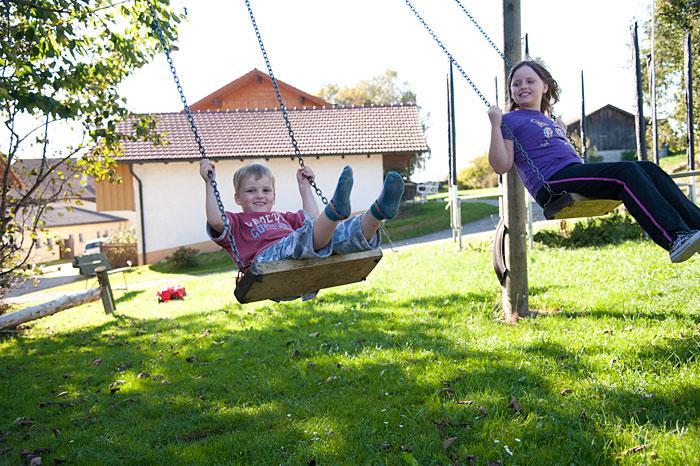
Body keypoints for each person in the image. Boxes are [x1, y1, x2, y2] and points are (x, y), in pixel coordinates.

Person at [487, 60, 700, 263]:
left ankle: (695, 224)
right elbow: (501, 165)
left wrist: (560, 133)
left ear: (544, 86)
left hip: (571, 172)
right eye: (516, 83)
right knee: (626, 173)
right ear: (511, 91)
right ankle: (674, 238)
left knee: (648, 168)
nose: (522, 86)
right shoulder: (509, 120)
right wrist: (495, 125)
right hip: (551, 182)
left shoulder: (547, 119)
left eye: (529, 81)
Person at [200, 159, 404, 299]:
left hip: (299, 256)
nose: (259, 195)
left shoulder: (283, 217)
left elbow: (311, 217)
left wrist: (305, 187)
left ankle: (378, 211)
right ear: (237, 198)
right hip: (266, 262)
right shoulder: (237, 221)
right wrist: (210, 183)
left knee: (340, 234)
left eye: (266, 190)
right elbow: (217, 220)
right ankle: (334, 210)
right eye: (251, 191)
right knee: (302, 237)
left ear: (274, 196)